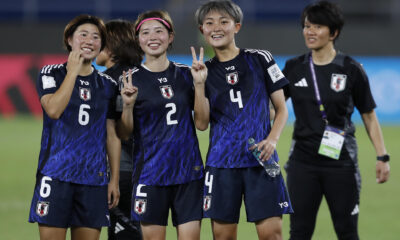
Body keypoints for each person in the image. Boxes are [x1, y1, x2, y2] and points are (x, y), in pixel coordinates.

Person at [282, 1, 391, 239]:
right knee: (298, 232)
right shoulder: (293, 67)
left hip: (341, 163)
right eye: (306, 26)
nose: (310, 31)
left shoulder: (351, 69)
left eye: (317, 26)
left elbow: (369, 116)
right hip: (302, 163)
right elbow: (275, 108)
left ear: (334, 32)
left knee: (347, 232)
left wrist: (382, 156)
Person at [193, 1, 293, 239]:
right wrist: (198, 84)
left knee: (272, 235)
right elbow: (201, 123)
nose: (216, 28)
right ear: (202, 30)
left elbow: (281, 109)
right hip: (221, 164)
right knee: (223, 237)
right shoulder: (203, 71)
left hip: (261, 160)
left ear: (236, 26)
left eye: (224, 22)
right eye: (209, 23)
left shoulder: (260, 59)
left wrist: (272, 140)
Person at [28, 14, 121, 240]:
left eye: (96, 37)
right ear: (70, 40)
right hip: (55, 174)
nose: (90, 40)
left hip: (93, 179)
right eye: (83, 35)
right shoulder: (51, 73)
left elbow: (112, 135)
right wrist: (72, 72)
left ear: (102, 44)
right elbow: (53, 110)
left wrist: (114, 180)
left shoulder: (108, 85)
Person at [118, 10, 205, 240]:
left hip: (188, 173)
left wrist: (200, 86)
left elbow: (202, 123)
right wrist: (127, 106)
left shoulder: (187, 74)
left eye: (159, 31)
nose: (153, 37)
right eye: (145, 32)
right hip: (150, 173)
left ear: (171, 36)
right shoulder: (130, 79)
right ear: (138, 40)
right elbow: (124, 133)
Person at [96, 19, 142, 240]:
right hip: (149, 170)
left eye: (100, 41)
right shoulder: (143, 75)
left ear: (111, 47)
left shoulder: (105, 81)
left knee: (123, 234)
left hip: (120, 170)